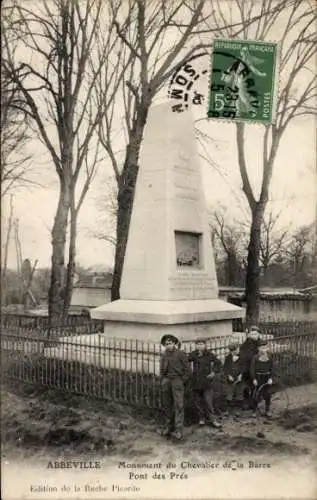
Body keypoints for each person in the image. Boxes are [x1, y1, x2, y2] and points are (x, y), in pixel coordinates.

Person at [158, 334, 191, 440]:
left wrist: (182, 381)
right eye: (166, 344)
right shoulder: (164, 354)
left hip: (177, 380)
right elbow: (161, 369)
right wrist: (162, 379)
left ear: (175, 343)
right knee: (167, 404)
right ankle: (168, 427)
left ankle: (178, 430)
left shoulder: (181, 354)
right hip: (167, 380)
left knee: (178, 405)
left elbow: (187, 370)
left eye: (170, 343)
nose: (168, 346)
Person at [187, 339, 222, 428]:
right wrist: (189, 373)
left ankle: (213, 419)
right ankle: (201, 418)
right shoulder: (193, 354)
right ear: (196, 345)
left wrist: (213, 373)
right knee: (198, 402)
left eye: (201, 344)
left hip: (206, 382)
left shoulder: (209, 354)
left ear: (205, 345)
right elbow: (185, 361)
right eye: (198, 344)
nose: (200, 346)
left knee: (208, 401)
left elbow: (218, 363)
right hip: (196, 382)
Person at [250, 340, 274, 418]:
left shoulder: (269, 357)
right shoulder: (255, 358)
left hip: (266, 378)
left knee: (267, 394)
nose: (264, 349)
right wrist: (254, 379)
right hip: (258, 377)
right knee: (256, 395)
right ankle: (254, 411)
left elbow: (272, 368)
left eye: (265, 347)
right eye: (262, 348)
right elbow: (252, 369)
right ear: (258, 349)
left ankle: (267, 410)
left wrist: (270, 378)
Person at [239, 325, 260, 407]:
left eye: (256, 334)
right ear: (249, 335)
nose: (254, 336)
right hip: (247, 368)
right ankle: (246, 402)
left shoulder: (261, 343)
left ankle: (255, 401)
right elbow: (244, 357)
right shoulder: (245, 345)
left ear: (259, 334)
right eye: (252, 334)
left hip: (259, 368)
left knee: (257, 386)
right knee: (247, 386)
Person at [223, 343, 245, 416]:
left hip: (239, 379)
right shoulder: (228, 358)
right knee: (229, 393)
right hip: (230, 379)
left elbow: (243, 367)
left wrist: (240, 375)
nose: (239, 350)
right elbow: (225, 368)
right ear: (233, 351)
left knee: (239, 393)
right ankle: (228, 409)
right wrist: (228, 375)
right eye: (238, 349)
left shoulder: (242, 357)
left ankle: (239, 409)